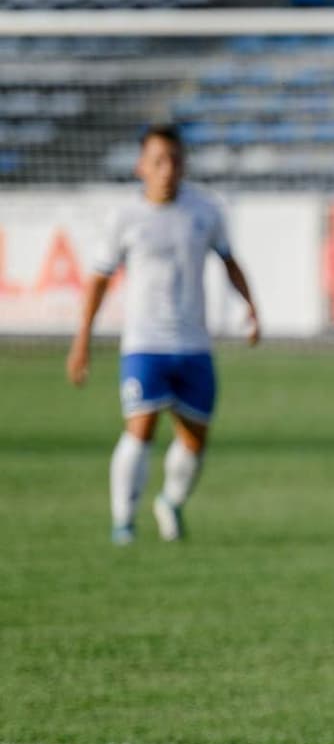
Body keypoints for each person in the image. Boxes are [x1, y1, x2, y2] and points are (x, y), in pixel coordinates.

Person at [67, 125, 259, 545]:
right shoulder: (124, 218)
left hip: (194, 345)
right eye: (158, 161)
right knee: (141, 429)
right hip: (144, 344)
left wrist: (251, 307)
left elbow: (229, 261)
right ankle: (124, 521)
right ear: (141, 167)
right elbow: (98, 280)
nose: (167, 169)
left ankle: (169, 502)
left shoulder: (205, 211)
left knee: (195, 439)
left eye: (174, 159)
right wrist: (82, 339)